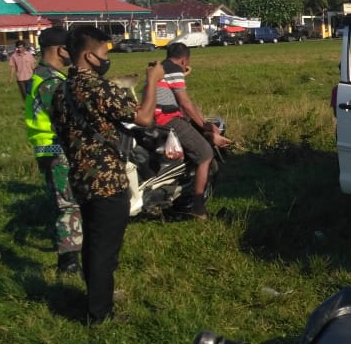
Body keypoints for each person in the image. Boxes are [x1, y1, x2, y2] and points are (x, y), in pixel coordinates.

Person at [51, 26, 165, 323]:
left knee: (92, 243)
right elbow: (143, 118)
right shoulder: (99, 89)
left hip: (80, 178)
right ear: (89, 55)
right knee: (105, 250)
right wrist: (152, 81)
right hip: (107, 180)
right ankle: (99, 314)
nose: (106, 58)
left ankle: (95, 300)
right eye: (104, 52)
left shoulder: (61, 91)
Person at [23, 27, 84, 273]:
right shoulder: (51, 81)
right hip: (56, 148)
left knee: (62, 201)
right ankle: (68, 262)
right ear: (61, 50)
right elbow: (66, 117)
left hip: (48, 147)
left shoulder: (40, 75)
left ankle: (66, 250)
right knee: (69, 204)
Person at [154, 43, 232, 219]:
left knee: (196, 128)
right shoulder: (174, 70)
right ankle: (198, 207)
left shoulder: (162, 68)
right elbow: (185, 103)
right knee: (205, 154)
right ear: (184, 59)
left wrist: (202, 122)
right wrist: (205, 126)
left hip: (155, 117)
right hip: (166, 119)